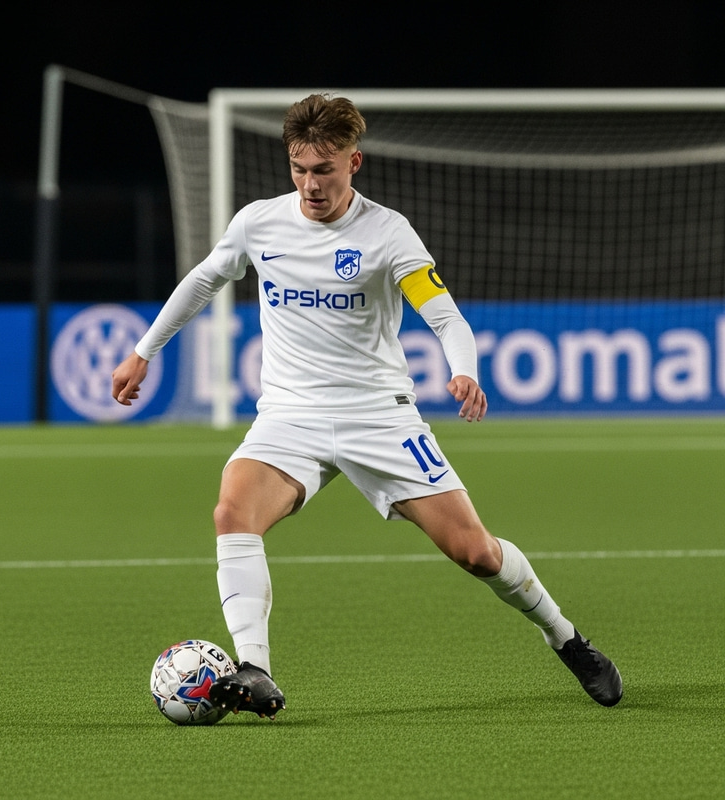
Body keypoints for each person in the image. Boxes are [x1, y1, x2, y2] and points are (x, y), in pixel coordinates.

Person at [112, 93, 622, 720]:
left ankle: (565, 638)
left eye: (323, 170)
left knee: (476, 553)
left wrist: (464, 370)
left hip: (379, 416)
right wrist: (144, 351)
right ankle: (255, 669)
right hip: (289, 416)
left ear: (354, 162)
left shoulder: (387, 232)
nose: (310, 185)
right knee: (232, 512)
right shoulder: (259, 223)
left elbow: (444, 316)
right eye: (299, 169)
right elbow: (204, 278)